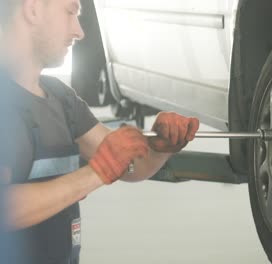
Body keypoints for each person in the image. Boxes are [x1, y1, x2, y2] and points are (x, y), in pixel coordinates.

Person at [0, 0, 200, 263]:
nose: (79, 31)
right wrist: (97, 172)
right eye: (70, 12)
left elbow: (130, 167)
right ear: (34, 8)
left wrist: (159, 148)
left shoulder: (60, 98)